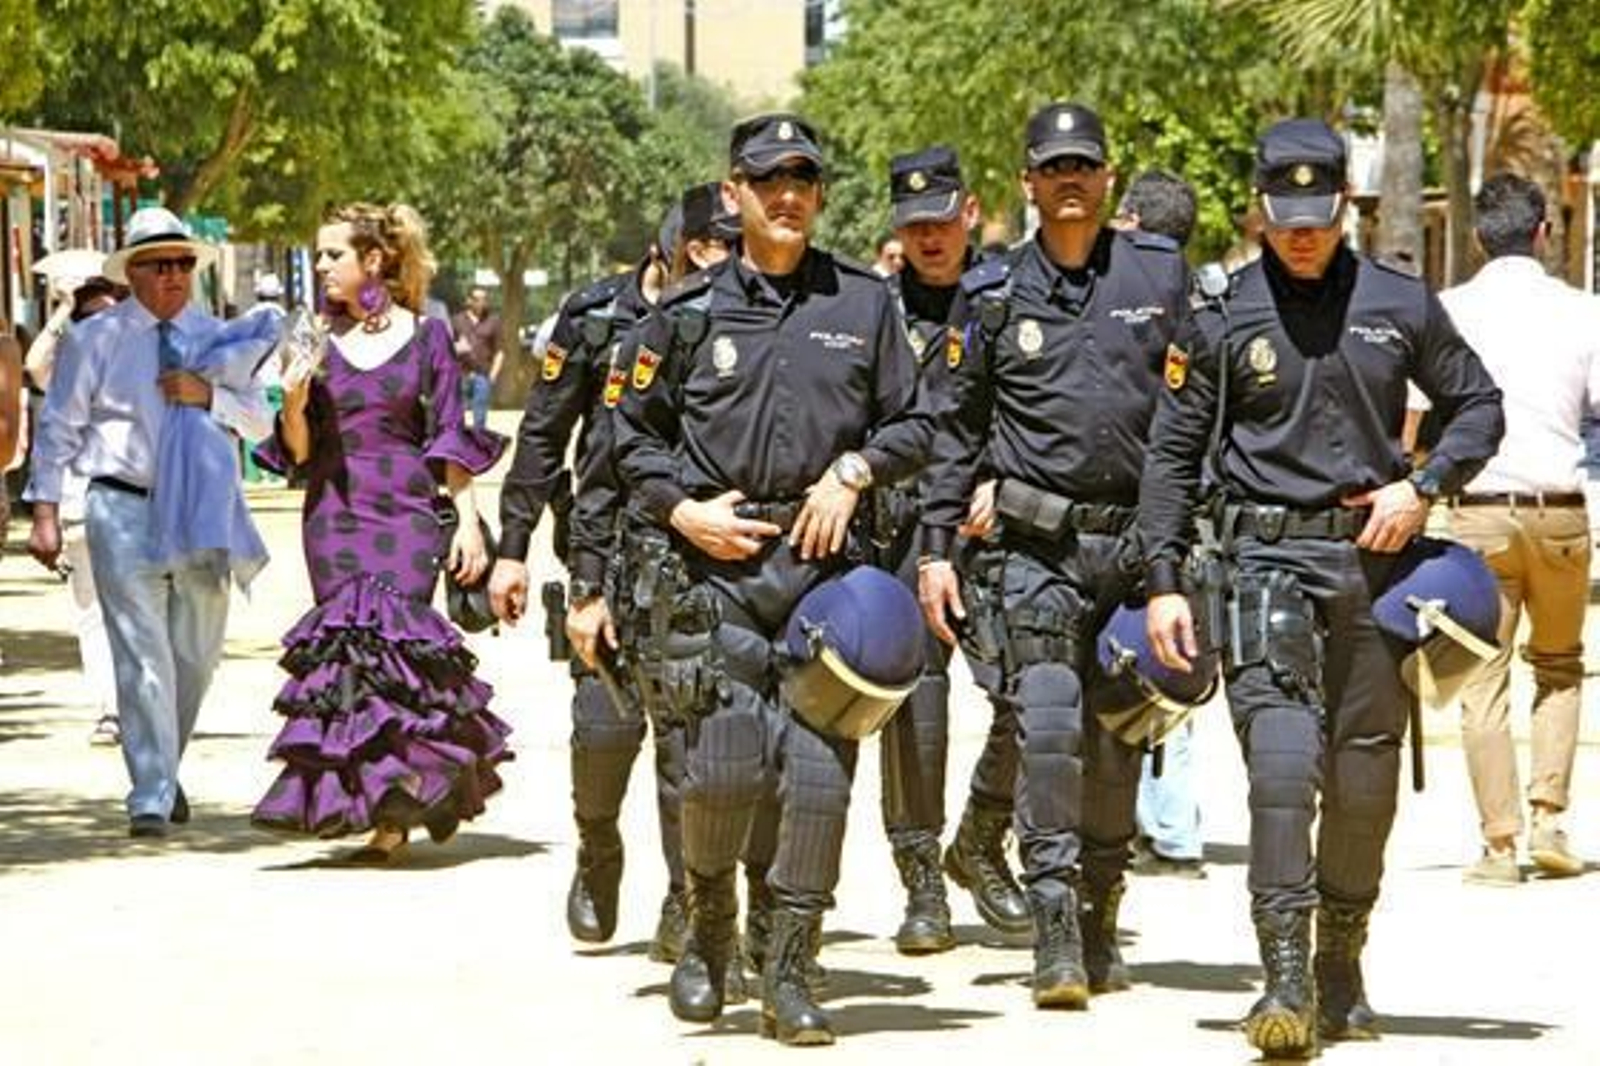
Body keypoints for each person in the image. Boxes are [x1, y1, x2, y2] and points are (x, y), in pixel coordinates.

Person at [1140, 118, 1504, 1057]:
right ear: (1260, 207)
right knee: (1282, 771)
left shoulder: (1399, 299)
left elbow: (1479, 406)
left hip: (1374, 575)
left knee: (1364, 783)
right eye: (1283, 213)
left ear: (1345, 202)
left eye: (1318, 212)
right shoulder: (1218, 312)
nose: (1300, 232)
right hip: (1262, 569)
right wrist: (1165, 581)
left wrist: (1423, 488)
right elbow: (1172, 458)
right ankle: (1286, 977)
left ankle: (1342, 960)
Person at [614, 113, 931, 1045]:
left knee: (818, 781)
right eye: (768, 179)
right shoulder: (683, 315)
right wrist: (682, 511)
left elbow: (914, 425)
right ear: (734, 193)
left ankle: (790, 966)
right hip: (716, 568)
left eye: (802, 179)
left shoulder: (867, 306)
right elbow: (629, 439)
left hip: (824, 573)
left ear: (820, 195)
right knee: (721, 771)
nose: (786, 195)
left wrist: (854, 472)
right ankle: (710, 934)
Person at [918, 103, 1193, 1009]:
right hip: (1033, 553)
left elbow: (1202, 410)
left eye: (1085, 165)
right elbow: (954, 430)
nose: (1070, 180)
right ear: (1027, 184)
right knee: (1046, 734)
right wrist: (935, 548)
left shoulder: (1162, 274)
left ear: (1109, 178)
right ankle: (1054, 934)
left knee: (1116, 744)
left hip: (1137, 551)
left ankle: (1103, 915)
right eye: (1053, 167)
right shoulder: (992, 294)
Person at [250, 202, 511, 862]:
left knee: (397, 659)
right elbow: (299, 451)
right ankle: (373, 808)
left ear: (373, 260)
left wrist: (470, 523)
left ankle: (399, 805)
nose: (320, 266)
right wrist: (296, 400)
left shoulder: (429, 336)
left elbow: (449, 434)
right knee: (346, 659)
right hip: (333, 515)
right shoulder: (310, 337)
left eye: (331, 254)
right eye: (317, 255)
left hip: (407, 515)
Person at [24, 207, 274, 837]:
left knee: (196, 653)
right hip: (121, 505)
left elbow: (259, 422)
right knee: (141, 655)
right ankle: (151, 792)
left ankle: (164, 764)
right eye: (160, 264)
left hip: (200, 509)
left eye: (183, 263)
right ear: (132, 272)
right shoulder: (95, 338)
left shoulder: (218, 337)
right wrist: (46, 510)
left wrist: (208, 395)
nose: (173, 275)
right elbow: (59, 427)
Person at [488, 215, 683, 953]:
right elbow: (542, 435)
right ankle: (597, 847)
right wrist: (513, 547)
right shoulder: (594, 317)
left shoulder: (728, 317)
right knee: (605, 729)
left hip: (694, 553)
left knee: (692, 747)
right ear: (662, 248)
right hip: (601, 552)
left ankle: (688, 896)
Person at [876, 145, 1028, 954]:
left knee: (1030, 696)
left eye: (942, 221)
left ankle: (982, 837)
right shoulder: (871, 309)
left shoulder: (1010, 297)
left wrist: (1001, 477)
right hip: (902, 533)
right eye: (914, 226)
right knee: (914, 710)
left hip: (995, 530)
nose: (930, 238)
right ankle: (922, 878)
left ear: (969, 214)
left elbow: (1041, 406)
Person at [1439, 173, 1599, 885]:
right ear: (1544, 233)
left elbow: (1415, 421)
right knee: (1560, 667)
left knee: (1481, 676)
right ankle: (1550, 818)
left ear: (1476, 237)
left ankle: (1499, 845)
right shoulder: (1584, 312)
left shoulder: (1447, 311)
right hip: (1560, 510)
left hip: (1477, 513)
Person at [1110, 170, 1207, 879]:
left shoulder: (1122, 291)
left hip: (1128, 503)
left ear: (1131, 219)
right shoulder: (1208, 297)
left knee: (1120, 658)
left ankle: (1134, 822)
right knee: (1176, 656)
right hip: (1189, 510)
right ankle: (1174, 827)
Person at [23, 269, 124, 744]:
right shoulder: (64, 366)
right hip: (80, 507)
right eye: (89, 316)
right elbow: (33, 362)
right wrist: (62, 309)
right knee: (94, 615)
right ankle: (112, 709)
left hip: (137, 507)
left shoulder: (138, 361)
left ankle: (145, 702)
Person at [451, 286, 504, 431]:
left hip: (483, 375)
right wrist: (458, 347)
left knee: (480, 419)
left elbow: (499, 351)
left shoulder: (494, 321)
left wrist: (493, 376)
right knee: (455, 418)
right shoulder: (456, 320)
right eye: (477, 299)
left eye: (484, 299)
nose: (481, 302)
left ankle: (478, 447)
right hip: (461, 375)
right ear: (468, 300)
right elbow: (446, 348)